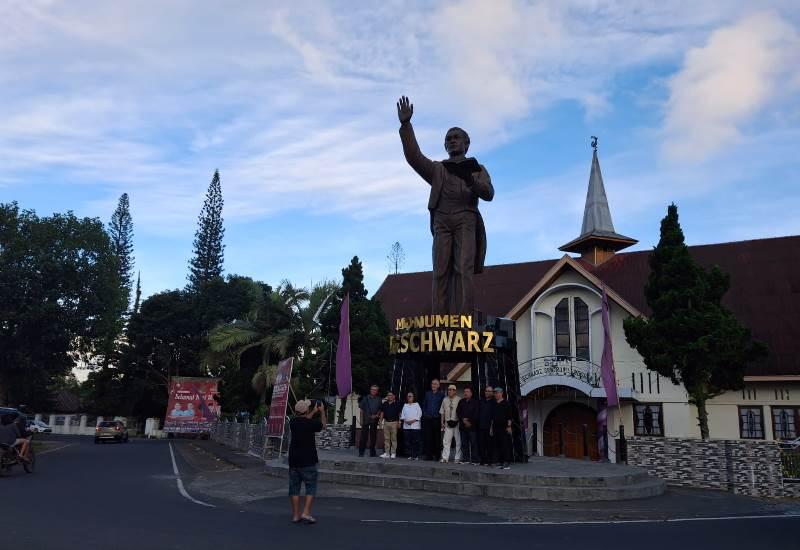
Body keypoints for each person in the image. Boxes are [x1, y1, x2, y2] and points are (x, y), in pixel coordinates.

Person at [396, 95, 495, 314]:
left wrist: (471, 180)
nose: (452, 141)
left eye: (456, 137)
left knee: (463, 269)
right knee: (440, 271)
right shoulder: (438, 169)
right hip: (442, 221)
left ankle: (464, 319)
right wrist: (406, 126)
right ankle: (439, 319)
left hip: (465, 219)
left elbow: (489, 194)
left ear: (466, 144)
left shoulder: (477, 168)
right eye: (448, 138)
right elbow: (414, 157)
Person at [288, 399, 326, 524]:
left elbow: (303, 419)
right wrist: (321, 411)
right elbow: (323, 425)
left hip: (294, 460)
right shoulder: (311, 424)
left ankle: (295, 515)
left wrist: (313, 411)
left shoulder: (292, 422)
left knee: (294, 489)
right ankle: (306, 512)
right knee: (311, 487)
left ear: (296, 411)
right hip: (308, 460)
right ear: (307, 410)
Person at [421, 379, 445, 460]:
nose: (433, 385)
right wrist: (425, 414)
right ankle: (429, 455)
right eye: (432, 383)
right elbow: (424, 405)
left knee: (437, 438)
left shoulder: (441, 395)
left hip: (436, 419)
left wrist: (441, 418)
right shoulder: (427, 394)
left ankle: (437, 455)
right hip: (428, 419)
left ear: (438, 385)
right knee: (428, 438)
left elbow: (443, 407)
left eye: (435, 384)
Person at [491, 387, 513, 469]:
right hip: (495, 427)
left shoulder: (506, 403)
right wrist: (491, 428)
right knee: (496, 445)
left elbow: (509, 417)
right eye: (495, 393)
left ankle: (506, 461)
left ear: (501, 393)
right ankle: (499, 461)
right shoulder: (494, 404)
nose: (495, 394)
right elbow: (492, 417)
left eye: (497, 393)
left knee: (505, 444)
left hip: (504, 427)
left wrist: (509, 426)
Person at [457, 387, 479, 465]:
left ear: (471, 393)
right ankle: (466, 459)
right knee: (464, 443)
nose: (465, 393)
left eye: (467, 391)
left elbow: (476, 413)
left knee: (473, 443)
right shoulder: (461, 401)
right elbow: (458, 412)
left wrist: (469, 421)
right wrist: (463, 419)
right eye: (464, 391)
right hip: (463, 427)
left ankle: (475, 460)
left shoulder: (475, 402)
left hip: (472, 426)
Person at [440, 384, 461, 463]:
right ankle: (445, 458)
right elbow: (442, 411)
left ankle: (457, 458)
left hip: (457, 422)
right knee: (446, 441)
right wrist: (442, 422)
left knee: (458, 441)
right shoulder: (445, 400)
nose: (450, 391)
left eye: (452, 390)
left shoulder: (459, 399)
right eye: (449, 390)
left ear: (455, 391)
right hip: (447, 422)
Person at [358, 385, 382, 457]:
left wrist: (376, 415)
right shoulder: (365, 398)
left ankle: (372, 453)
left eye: (375, 390)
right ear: (370, 390)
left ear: (377, 391)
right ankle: (361, 452)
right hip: (366, 420)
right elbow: (361, 410)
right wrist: (361, 420)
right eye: (372, 389)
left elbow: (380, 409)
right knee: (363, 437)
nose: (373, 391)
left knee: (373, 437)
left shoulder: (379, 399)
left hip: (374, 420)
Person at [379, 390, 403, 459]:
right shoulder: (385, 403)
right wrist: (380, 422)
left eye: (390, 395)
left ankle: (393, 453)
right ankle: (387, 453)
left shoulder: (397, 403)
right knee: (386, 439)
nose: (389, 396)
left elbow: (400, 414)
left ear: (394, 396)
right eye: (388, 395)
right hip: (386, 422)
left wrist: (399, 422)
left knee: (393, 438)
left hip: (394, 422)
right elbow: (382, 413)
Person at [400, 392, 422, 460]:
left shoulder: (416, 404)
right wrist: (406, 421)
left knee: (415, 441)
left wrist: (412, 421)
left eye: (410, 396)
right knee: (407, 441)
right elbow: (402, 415)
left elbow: (419, 414)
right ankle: (410, 455)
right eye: (408, 396)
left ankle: (415, 455)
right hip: (406, 426)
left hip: (415, 426)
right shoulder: (405, 405)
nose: (409, 397)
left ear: (413, 397)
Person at [478, 385, 495, 466]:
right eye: (486, 391)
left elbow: (494, 416)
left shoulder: (494, 402)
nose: (487, 392)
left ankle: (490, 461)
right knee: (481, 444)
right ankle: (482, 460)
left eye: (489, 391)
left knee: (490, 445)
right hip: (481, 426)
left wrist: (492, 427)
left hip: (490, 427)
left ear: (492, 393)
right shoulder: (481, 401)